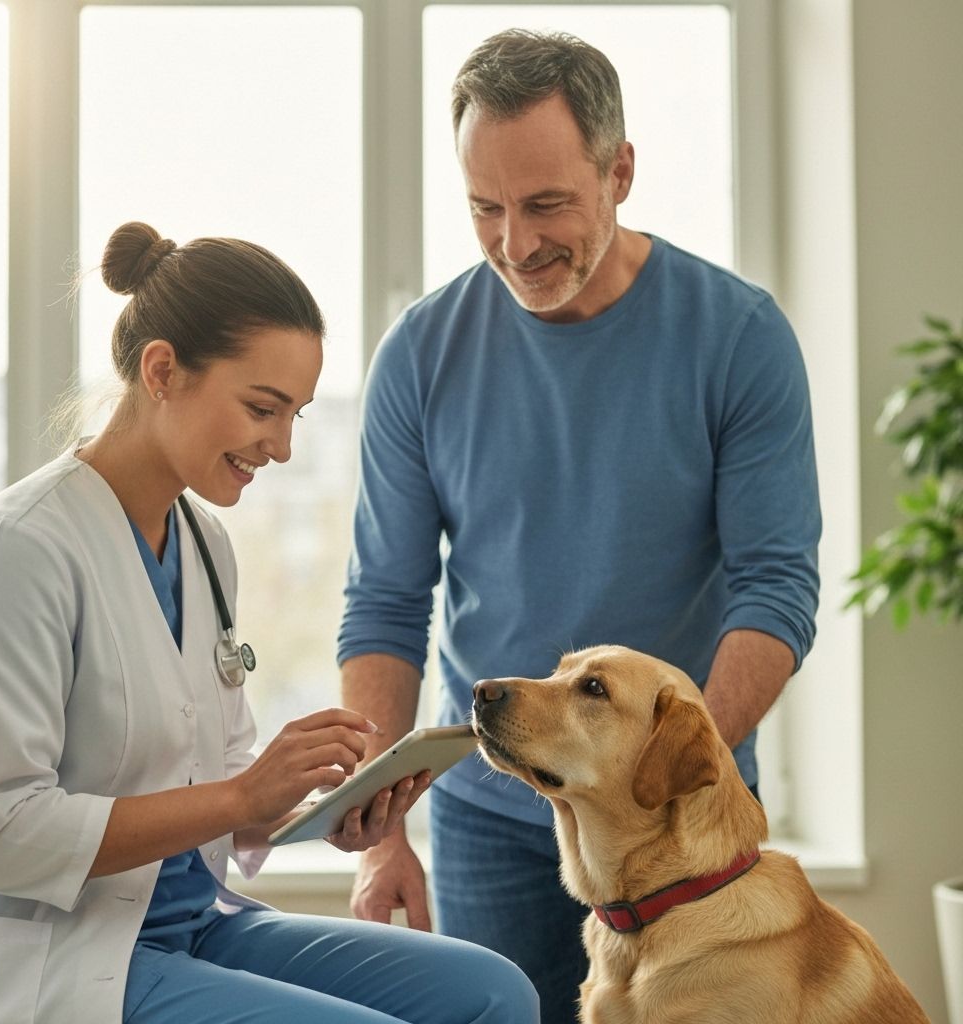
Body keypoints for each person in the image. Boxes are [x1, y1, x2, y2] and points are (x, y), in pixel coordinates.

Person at [0, 221, 540, 1024]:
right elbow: (3, 832)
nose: (283, 448)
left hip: (191, 925)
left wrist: (316, 805)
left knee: (496, 994)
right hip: (60, 951)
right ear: (162, 371)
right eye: (264, 408)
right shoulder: (19, 549)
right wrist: (239, 794)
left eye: (295, 415)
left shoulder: (204, 545)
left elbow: (217, 779)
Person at [338, 28, 821, 1024]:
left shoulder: (737, 338)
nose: (516, 243)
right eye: (485, 207)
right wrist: (381, 833)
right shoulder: (421, 353)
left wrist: (659, 772)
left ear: (620, 171)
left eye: (546, 202)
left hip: (680, 815)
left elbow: (774, 588)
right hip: (490, 821)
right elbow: (386, 601)